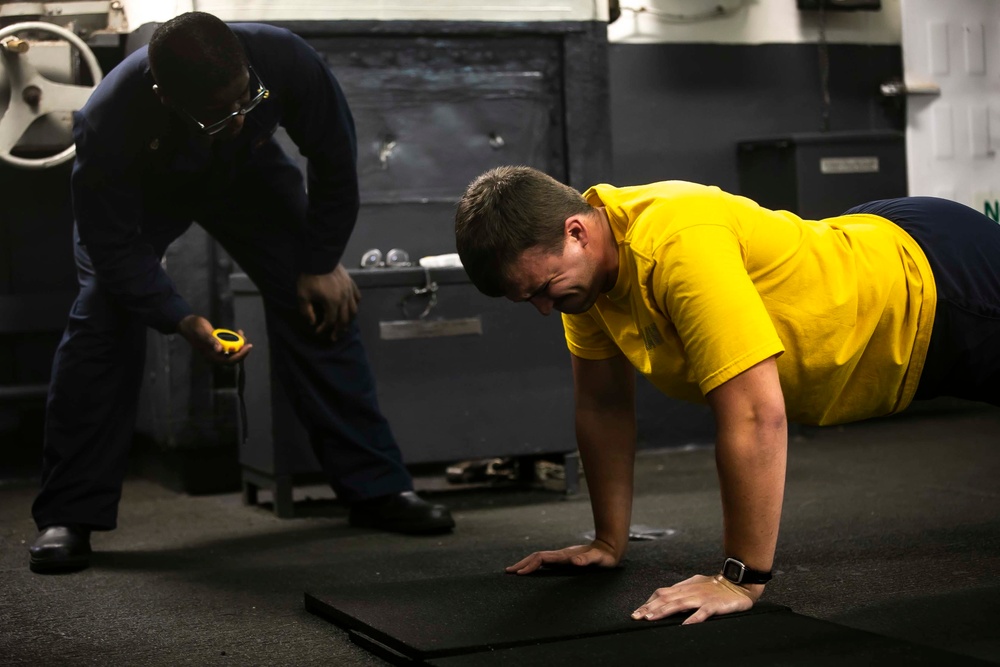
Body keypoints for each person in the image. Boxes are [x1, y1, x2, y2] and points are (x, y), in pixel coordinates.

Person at [453, 165, 1000, 625]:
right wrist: (606, 542)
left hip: (939, 283)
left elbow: (758, 415)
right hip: (878, 238)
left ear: (576, 231)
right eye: (528, 300)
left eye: (545, 289)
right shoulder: (588, 281)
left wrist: (740, 579)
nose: (545, 309)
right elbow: (603, 407)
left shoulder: (674, 244)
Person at [29, 12, 455, 574]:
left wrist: (320, 260)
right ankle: (69, 515)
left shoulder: (285, 59)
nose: (234, 120)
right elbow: (113, 252)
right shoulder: (109, 118)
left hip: (249, 178)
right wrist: (180, 319)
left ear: (245, 66)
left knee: (320, 305)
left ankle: (377, 487)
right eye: (215, 114)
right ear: (164, 95)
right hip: (146, 195)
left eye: (245, 101)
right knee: (102, 320)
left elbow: (332, 158)